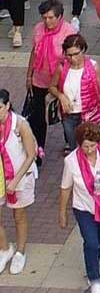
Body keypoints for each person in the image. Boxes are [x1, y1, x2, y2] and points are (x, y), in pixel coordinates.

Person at [58, 122, 100, 293]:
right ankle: (95, 279)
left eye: (93, 145)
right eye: (86, 146)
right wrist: (62, 213)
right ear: (79, 144)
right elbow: (65, 188)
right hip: (83, 208)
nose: (90, 149)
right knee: (91, 243)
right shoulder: (71, 161)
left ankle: (91, 265)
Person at [26, 0, 77, 156]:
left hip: (61, 81)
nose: (47, 21)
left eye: (51, 18)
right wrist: (29, 76)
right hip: (40, 79)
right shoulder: (38, 29)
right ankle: (37, 149)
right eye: (44, 18)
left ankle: (70, 142)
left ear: (60, 16)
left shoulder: (69, 32)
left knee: (66, 114)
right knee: (37, 117)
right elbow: (34, 53)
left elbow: (73, 58)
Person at [0, 88, 38, 275]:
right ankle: (5, 248)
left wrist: (15, 180)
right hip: (0, 176)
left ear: (7, 105)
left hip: (20, 175)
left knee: (19, 215)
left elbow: (31, 155)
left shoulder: (20, 124)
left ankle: (20, 251)